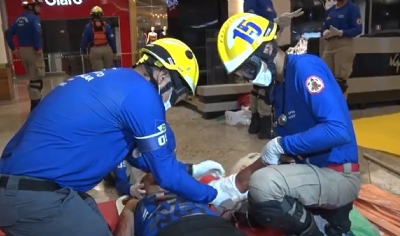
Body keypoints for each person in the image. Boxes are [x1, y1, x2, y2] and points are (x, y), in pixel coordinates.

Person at [0, 38, 220, 235]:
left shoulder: (115, 80)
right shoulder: (143, 94)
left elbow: (144, 159)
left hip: (19, 187)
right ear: (163, 75)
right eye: (179, 92)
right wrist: (213, 194)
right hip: (31, 197)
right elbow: (166, 175)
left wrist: (191, 169)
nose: (173, 101)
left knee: (93, 216)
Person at [215, 13, 360, 235]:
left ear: (265, 50)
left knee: (263, 184)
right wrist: (233, 184)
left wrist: (281, 145)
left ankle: (319, 231)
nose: (249, 78)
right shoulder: (278, 88)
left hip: (338, 174)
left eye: (248, 69)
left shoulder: (305, 69)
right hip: (312, 171)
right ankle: (320, 220)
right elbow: (287, 152)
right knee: (253, 176)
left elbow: (337, 130)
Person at [111, 123, 224, 197]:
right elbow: (120, 181)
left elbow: (168, 169)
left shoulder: (166, 134)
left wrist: (195, 169)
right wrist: (130, 189)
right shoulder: (120, 144)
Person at [114, 173, 246, 236]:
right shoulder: (139, 204)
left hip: (215, 227)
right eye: (152, 180)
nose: (159, 180)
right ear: (142, 191)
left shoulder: (193, 193)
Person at [243, 0, 303, 139]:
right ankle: (264, 126)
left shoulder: (267, 1)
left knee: (259, 85)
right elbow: (251, 23)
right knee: (265, 84)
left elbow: (270, 29)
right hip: (261, 48)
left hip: (269, 44)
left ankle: (256, 123)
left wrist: (279, 25)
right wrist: (274, 23)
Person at [6, 0, 45, 111]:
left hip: (22, 50)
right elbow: (37, 32)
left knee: (32, 78)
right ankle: (36, 109)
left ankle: (35, 106)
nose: (40, 8)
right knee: (37, 80)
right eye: (38, 6)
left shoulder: (18, 19)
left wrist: (13, 48)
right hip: (32, 50)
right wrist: (38, 48)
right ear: (31, 6)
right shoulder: (34, 19)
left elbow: (8, 34)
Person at [322, 0, 362, 99]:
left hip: (344, 43)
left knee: (340, 80)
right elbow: (324, 27)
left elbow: (358, 29)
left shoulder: (352, 8)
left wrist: (341, 32)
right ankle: (329, 105)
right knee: (325, 76)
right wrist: (324, 32)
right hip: (330, 44)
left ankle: (341, 107)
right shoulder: (330, 10)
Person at [81, 6, 117, 71]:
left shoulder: (88, 27)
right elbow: (111, 39)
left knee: (99, 72)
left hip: (94, 50)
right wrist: (114, 51)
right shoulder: (106, 26)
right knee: (109, 71)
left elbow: (84, 40)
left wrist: (84, 52)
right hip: (107, 49)